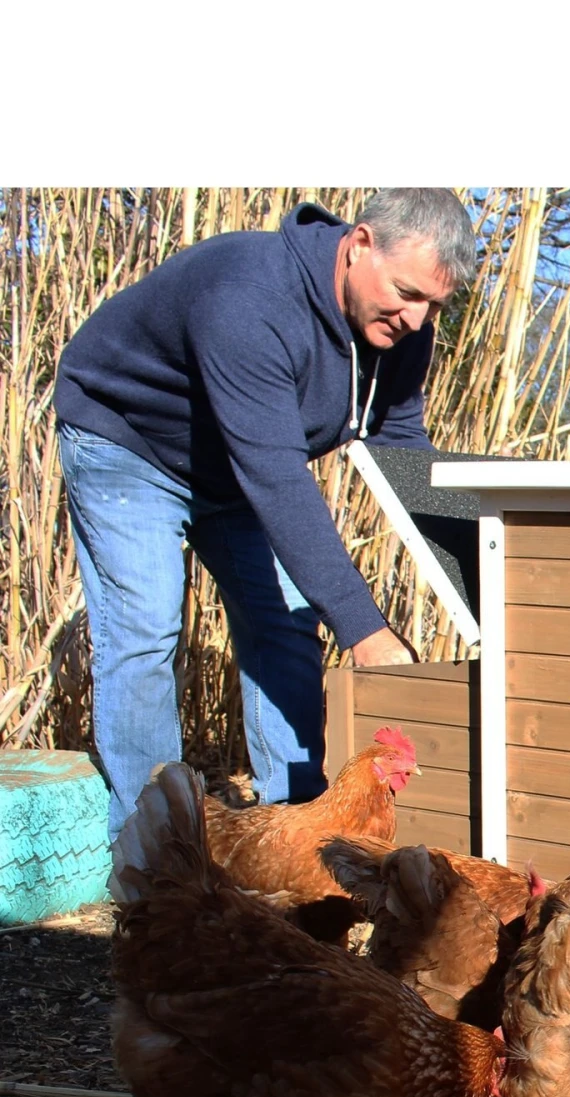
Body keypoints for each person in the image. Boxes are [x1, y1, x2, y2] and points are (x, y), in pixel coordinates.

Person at [55, 188, 475, 841]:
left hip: (233, 466)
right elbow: (277, 479)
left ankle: (299, 838)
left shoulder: (402, 336)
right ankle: (154, 854)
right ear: (359, 245)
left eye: (434, 305)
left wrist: (477, 582)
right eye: (405, 292)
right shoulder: (251, 296)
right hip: (129, 442)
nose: (417, 321)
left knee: (285, 628)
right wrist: (366, 631)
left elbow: (407, 461)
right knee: (144, 631)